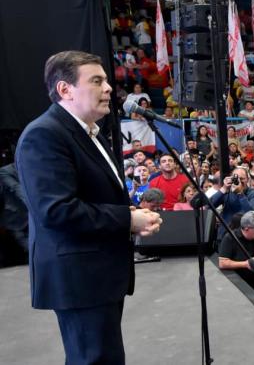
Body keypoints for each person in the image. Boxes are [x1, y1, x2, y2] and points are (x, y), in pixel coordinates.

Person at [17, 50, 163, 364]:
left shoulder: (90, 133)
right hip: (79, 277)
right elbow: (57, 211)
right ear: (65, 90)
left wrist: (134, 215)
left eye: (106, 80)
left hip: (97, 274)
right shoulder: (45, 135)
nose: (108, 88)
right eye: (96, 81)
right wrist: (128, 219)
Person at [218, 211, 254, 297]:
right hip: (240, 287)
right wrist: (246, 264)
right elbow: (222, 263)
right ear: (247, 229)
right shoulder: (230, 238)